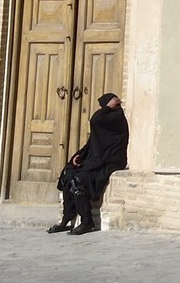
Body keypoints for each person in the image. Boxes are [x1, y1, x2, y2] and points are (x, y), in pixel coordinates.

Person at [50, 93, 129, 236]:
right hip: (98, 159)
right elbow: (93, 142)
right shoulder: (107, 119)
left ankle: (87, 221)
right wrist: (79, 156)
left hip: (110, 161)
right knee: (68, 173)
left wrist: (108, 108)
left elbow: (95, 120)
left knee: (79, 180)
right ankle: (67, 217)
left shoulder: (116, 117)